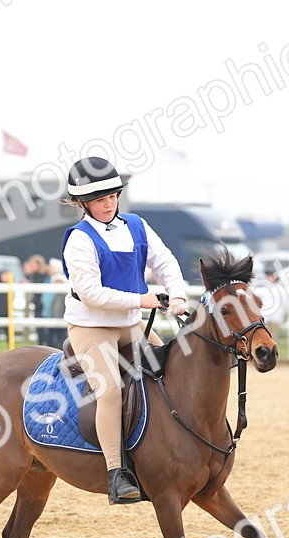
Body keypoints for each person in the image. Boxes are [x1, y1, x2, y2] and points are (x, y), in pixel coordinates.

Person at [60, 156, 189, 503]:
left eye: (113, 196)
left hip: (130, 325)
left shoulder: (137, 225)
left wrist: (176, 294)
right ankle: (117, 472)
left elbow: (164, 261)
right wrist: (141, 300)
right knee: (112, 392)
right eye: (101, 200)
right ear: (83, 203)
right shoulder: (79, 239)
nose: (109, 204)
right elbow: (91, 294)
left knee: (168, 373)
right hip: (92, 327)